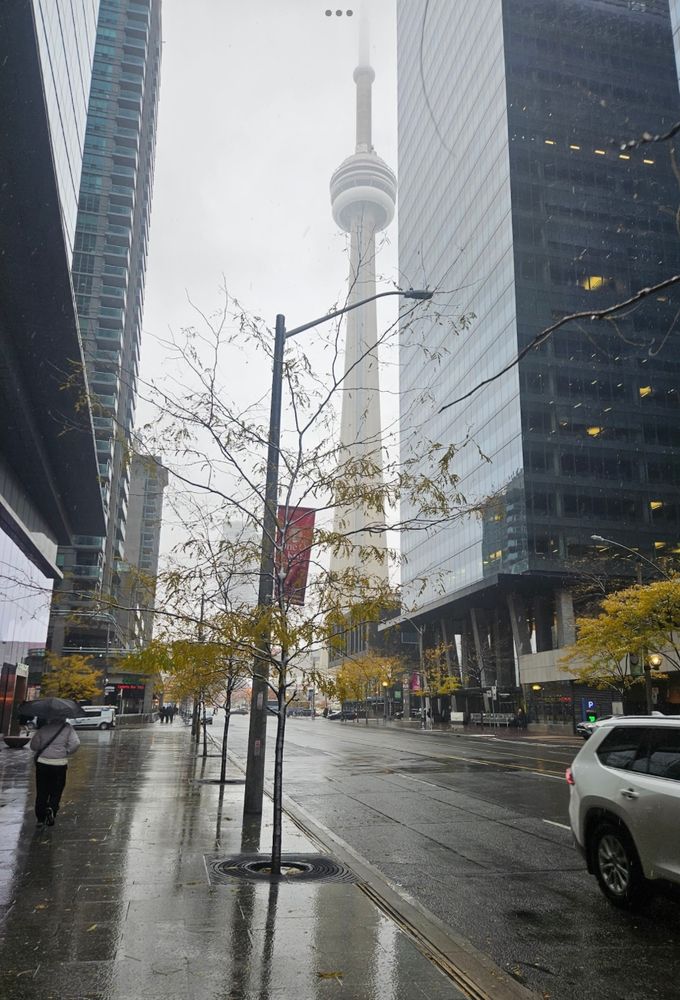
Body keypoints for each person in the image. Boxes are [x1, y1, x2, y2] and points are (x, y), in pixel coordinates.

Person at [30, 718, 80, 829]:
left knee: (42, 790)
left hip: (43, 763)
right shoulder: (68, 729)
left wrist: (43, 748)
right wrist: (66, 751)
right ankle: (52, 809)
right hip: (59, 764)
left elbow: (33, 745)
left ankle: (40, 818)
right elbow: (76, 743)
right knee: (56, 790)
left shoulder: (44, 728)